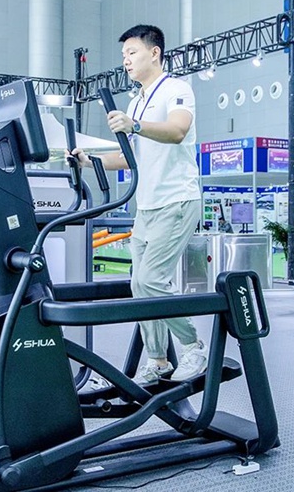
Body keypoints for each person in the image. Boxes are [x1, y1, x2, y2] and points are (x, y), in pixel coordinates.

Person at [68, 24, 205, 384]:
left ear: (154, 52)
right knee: (139, 286)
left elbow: (176, 131)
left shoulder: (176, 89)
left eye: (132, 53)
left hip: (176, 200)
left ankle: (193, 346)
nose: (126, 60)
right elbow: (129, 158)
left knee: (151, 280)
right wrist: (88, 161)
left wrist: (135, 125)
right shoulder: (136, 102)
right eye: (123, 55)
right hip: (146, 205)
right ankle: (158, 360)